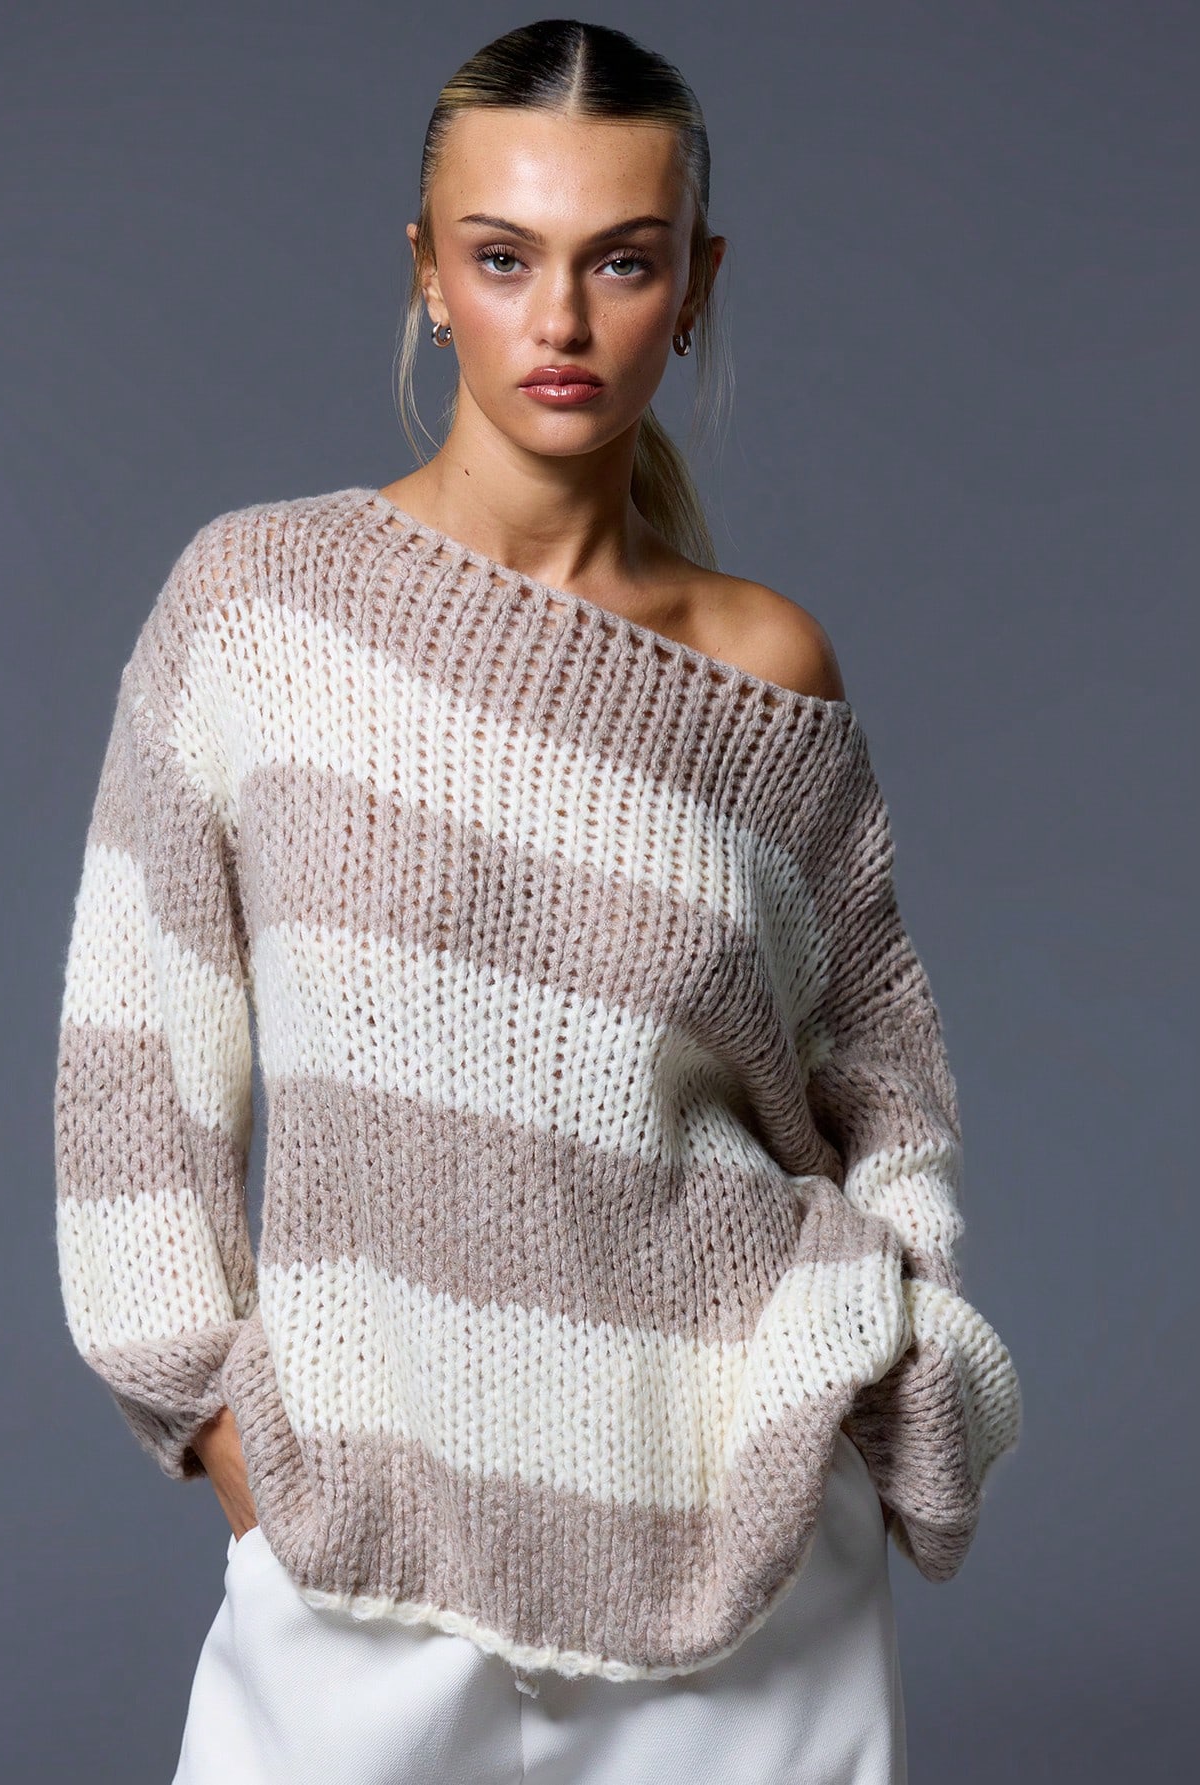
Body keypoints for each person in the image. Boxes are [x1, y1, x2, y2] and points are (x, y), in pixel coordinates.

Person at [52, 18, 1022, 1784]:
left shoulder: (765, 676)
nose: (560, 321)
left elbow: (887, 1088)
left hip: (742, 1562)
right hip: (362, 1549)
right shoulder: (257, 612)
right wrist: (237, 1445)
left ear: (695, 286)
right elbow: (134, 1071)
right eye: (503, 258)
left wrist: (896, 1360)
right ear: (428, 274)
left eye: (622, 262)